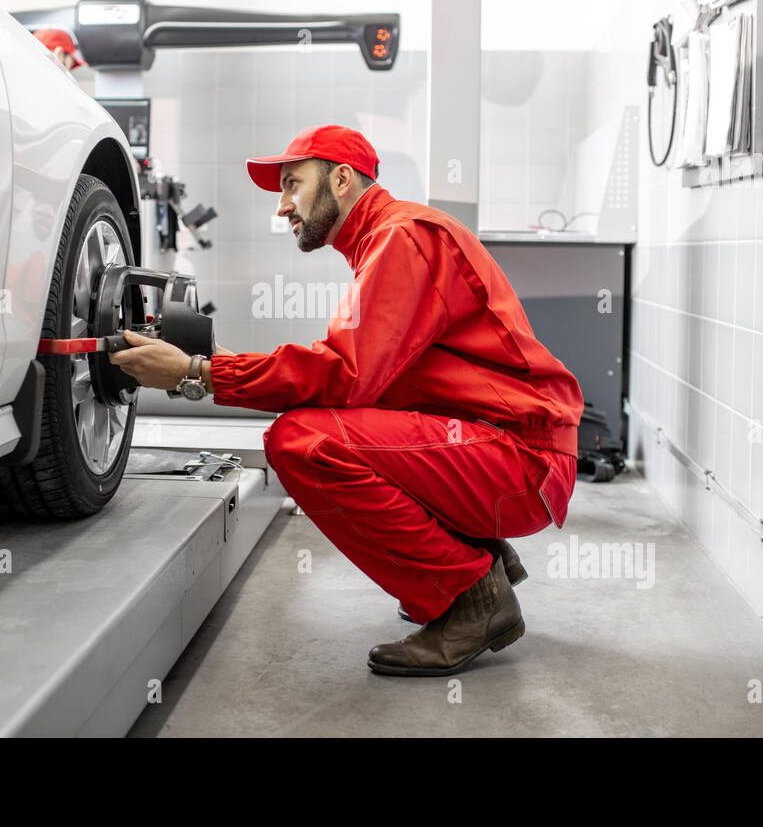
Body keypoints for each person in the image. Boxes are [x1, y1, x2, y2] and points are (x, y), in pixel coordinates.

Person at [109, 124, 584, 676]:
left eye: (293, 184)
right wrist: (222, 367)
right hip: (505, 450)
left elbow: (343, 373)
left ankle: (472, 596)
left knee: (301, 440)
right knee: (334, 423)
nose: (283, 206)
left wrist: (198, 372)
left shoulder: (401, 238)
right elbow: (362, 382)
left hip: (522, 462)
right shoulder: (388, 238)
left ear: (341, 178)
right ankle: (474, 555)